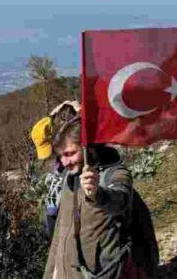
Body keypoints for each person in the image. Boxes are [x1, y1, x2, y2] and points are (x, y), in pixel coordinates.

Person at [43, 117, 155, 279]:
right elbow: (59, 234)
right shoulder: (69, 178)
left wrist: (98, 194)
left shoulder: (115, 173)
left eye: (70, 154)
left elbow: (120, 200)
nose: (64, 162)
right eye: (61, 156)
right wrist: (49, 274)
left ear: (89, 149)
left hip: (104, 273)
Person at [30, 100, 80, 239]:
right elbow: (49, 119)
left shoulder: (69, 162)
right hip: (54, 223)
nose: (50, 153)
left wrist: (80, 111)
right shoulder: (49, 126)